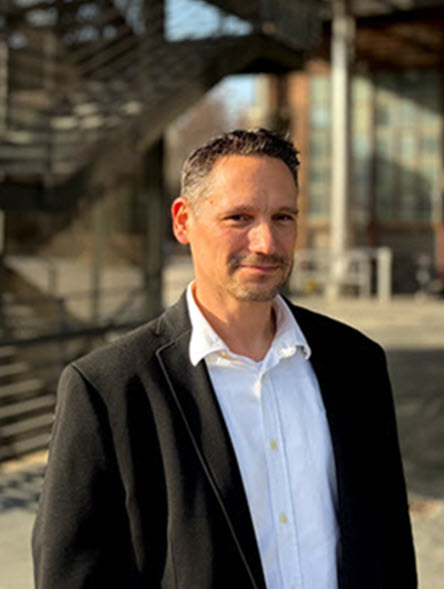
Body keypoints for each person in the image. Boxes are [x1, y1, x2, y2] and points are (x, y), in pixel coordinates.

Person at [32, 129, 417, 589]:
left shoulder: (357, 365)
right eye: (239, 217)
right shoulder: (109, 389)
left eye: (283, 217)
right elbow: (73, 576)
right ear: (183, 221)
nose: (266, 242)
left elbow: (391, 549)